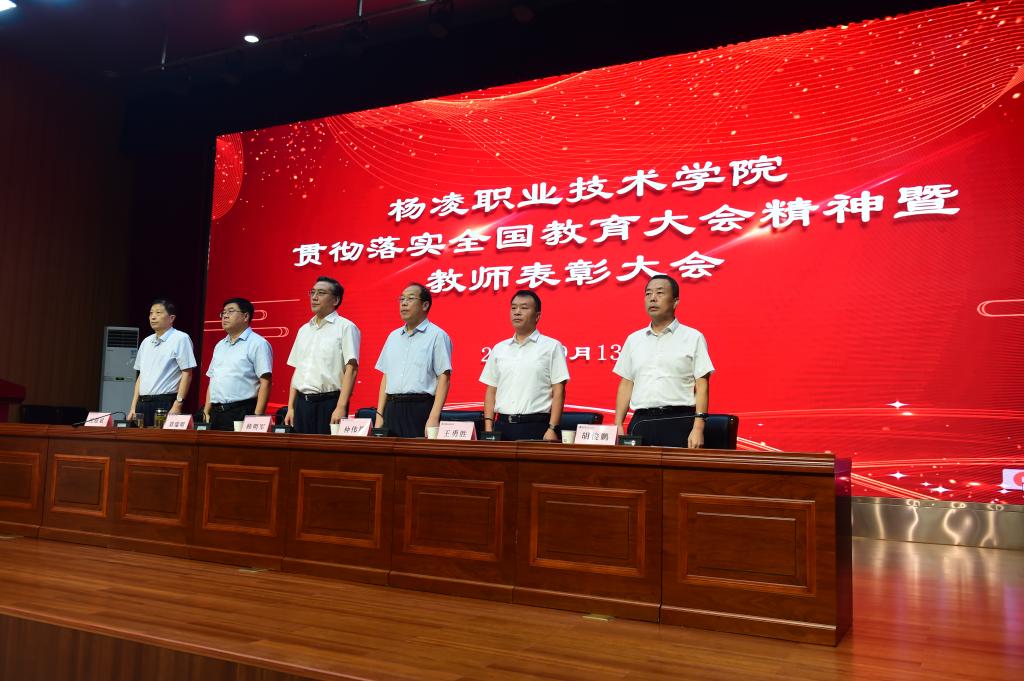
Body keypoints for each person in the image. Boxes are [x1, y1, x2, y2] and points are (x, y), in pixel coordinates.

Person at [613, 275, 714, 448]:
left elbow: (702, 385)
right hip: (641, 422)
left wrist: (698, 427)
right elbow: (627, 383)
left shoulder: (693, 337)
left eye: (660, 293)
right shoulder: (633, 339)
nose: (652, 298)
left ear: (675, 302)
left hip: (679, 421)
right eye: (648, 293)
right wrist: (617, 424)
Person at [480, 290, 569, 441]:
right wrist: (488, 428)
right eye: (513, 308)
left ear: (537, 316)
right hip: (502, 426)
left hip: (537, 426)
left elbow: (558, 391)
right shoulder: (499, 349)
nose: (517, 312)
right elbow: (491, 390)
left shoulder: (552, 346)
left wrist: (552, 428)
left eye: (524, 308)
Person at [374, 283, 452, 438]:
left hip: (420, 408)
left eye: (410, 298)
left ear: (425, 305)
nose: (404, 303)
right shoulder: (393, 336)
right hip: (391, 408)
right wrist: (379, 414)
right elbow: (386, 377)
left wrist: (434, 417)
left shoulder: (437, 335)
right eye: (401, 299)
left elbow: (444, 378)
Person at [284, 277, 360, 434]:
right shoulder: (304, 330)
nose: (314, 297)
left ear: (335, 300)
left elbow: (351, 369)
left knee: (327, 449)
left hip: (329, 403)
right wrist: (290, 407)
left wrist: (341, 406)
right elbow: (298, 371)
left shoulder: (346, 327)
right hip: (301, 403)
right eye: (312, 292)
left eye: (321, 293)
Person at [203, 297, 274, 431]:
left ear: (245, 316)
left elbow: (266, 382)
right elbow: (213, 379)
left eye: (230, 311)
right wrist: (206, 410)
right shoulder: (220, 345)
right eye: (223, 312)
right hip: (215, 413)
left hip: (241, 411)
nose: (225, 316)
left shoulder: (258, 343)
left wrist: (257, 416)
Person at [127, 299, 197, 427]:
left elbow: (187, 373)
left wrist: (178, 404)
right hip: (142, 404)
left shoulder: (181, 338)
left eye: (158, 313)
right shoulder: (146, 342)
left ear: (171, 318)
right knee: (139, 439)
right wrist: (133, 407)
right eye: (151, 313)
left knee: (162, 439)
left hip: (164, 403)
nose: (153, 317)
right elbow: (141, 376)